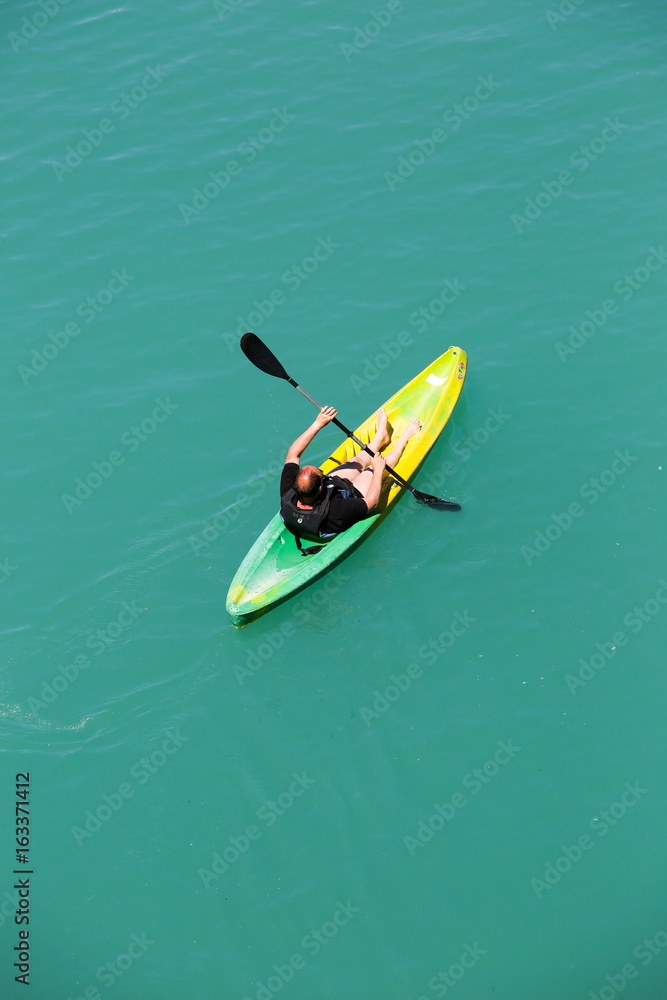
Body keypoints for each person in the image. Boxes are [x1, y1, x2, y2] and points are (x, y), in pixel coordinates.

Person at [279, 405, 421, 551]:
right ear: (320, 487)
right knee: (372, 469)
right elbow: (372, 502)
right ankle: (403, 441)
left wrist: (318, 424)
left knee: (357, 462)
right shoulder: (336, 511)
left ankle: (380, 437)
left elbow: (293, 454)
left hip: (324, 496)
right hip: (349, 497)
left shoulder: (288, 492)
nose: (323, 473)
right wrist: (378, 471)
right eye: (321, 474)